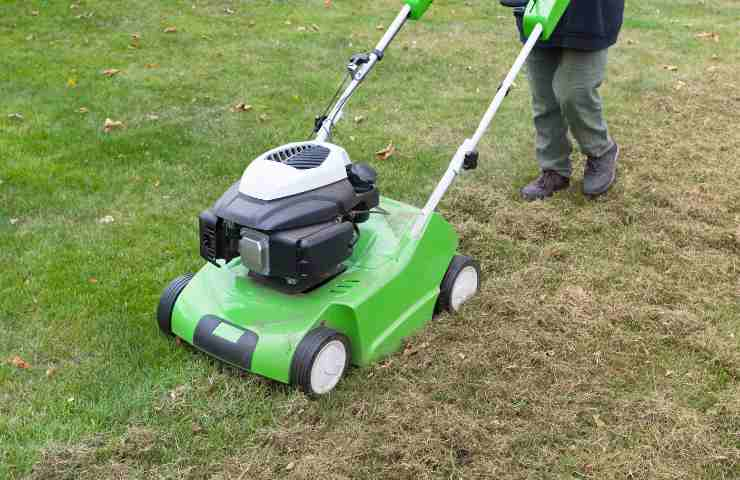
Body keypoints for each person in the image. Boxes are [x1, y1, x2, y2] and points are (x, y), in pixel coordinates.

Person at [502, 0, 625, 200]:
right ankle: (554, 169)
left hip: (589, 15)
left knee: (574, 92)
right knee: (544, 97)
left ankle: (601, 150)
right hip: (537, 10)